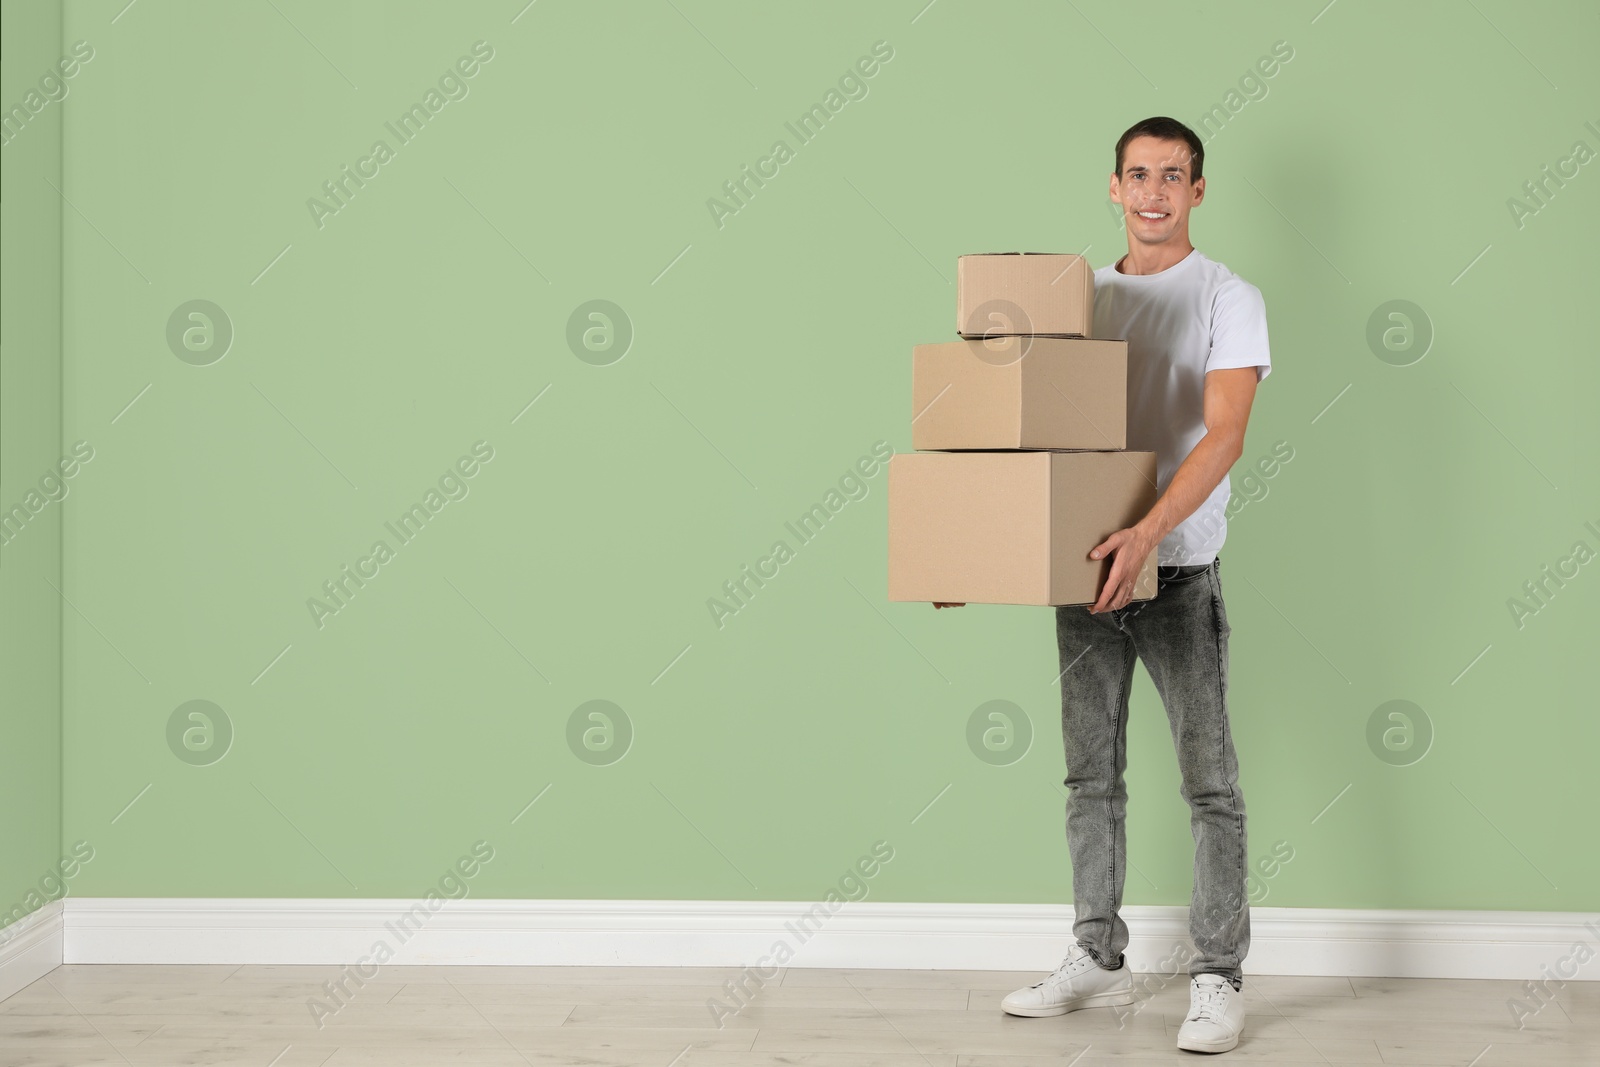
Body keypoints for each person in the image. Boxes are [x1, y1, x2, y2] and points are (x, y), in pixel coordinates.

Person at [934, 116, 1270, 1054]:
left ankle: (1217, 973)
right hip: (1081, 570)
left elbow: (1226, 432)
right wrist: (973, 551)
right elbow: (1020, 423)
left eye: (1173, 175)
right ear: (1112, 189)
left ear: (1198, 191)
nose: (1154, 191)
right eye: (1137, 175)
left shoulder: (1228, 297)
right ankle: (1094, 949)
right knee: (1090, 774)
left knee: (1210, 782)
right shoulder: (1074, 298)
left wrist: (1147, 535)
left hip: (1177, 566)